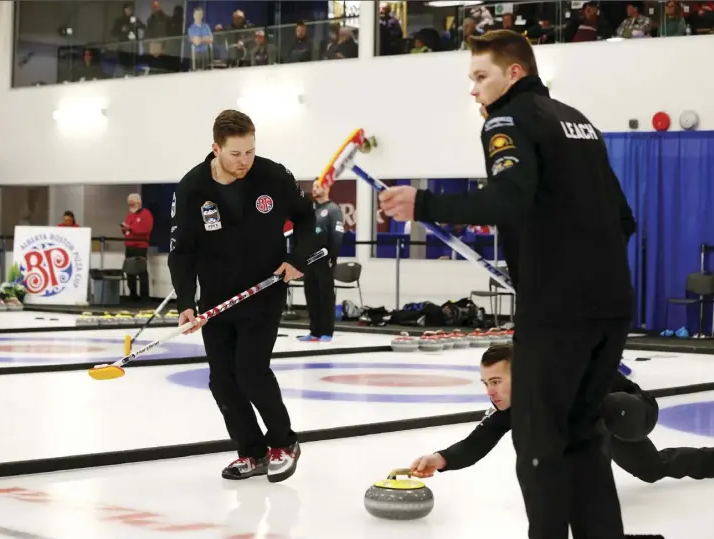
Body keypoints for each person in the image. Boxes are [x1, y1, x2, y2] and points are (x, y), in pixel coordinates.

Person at [379, 30, 637, 538]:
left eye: (481, 76)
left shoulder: (507, 119)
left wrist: (423, 205)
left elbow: (508, 198)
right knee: (584, 436)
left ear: (513, 73)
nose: (474, 90)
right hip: (611, 304)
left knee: (540, 444)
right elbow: (623, 218)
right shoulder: (578, 121)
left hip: (558, 309)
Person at [167, 109, 316, 483]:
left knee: (250, 371)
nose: (245, 161)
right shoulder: (191, 188)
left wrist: (297, 258)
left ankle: (284, 443)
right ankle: (252, 452)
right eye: (236, 154)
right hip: (216, 301)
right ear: (215, 148)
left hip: (263, 291)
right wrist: (187, 302)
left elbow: (307, 218)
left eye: (250, 151)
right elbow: (181, 251)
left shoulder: (273, 175)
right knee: (222, 380)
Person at [410, 344, 714, 485]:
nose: (490, 391)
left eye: (497, 382)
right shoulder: (511, 406)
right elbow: (478, 441)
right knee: (652, 470)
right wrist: (441, 459)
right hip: (601, 426)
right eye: (486, 383)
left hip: (634, 410)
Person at [297, 181, 344, 342]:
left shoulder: (333, 210)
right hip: (309, 260)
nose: (314, 189)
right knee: (311, 295)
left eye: (318, 186)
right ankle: (314, 331)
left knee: (325, 296)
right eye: (314, 186)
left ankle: (326, 332)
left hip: (324, 259)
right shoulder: (312, 209)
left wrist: (333, 257)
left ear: (327, 188)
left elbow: (337, 235)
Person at [121, 193, 154, 301]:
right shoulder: (130, 215)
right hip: (129, 246)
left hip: (140, 246)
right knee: (130, 271)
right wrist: (125, 228)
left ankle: (144, 296)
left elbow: (145, 229)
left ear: (138, 203)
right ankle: (133, 294)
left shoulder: (146, 214)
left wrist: (131, 228)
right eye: (128, 204)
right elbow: (126, 230)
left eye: (132, 203)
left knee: (141, 271)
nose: (130, 205)